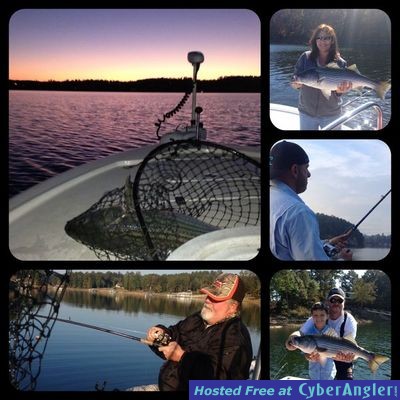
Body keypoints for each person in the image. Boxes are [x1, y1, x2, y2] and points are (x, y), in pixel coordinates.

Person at [144, 273, 253, 391]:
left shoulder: (236, 339)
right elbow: (175, 333)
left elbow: (220, 384)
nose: (207, 301)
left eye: (215, 299)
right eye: (208, 295)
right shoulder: (198, 318)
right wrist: (159, 333)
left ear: (232, 307)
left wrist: (182, 358)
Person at [270, 140, 353, 261]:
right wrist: (343, 259)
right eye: (306, 168)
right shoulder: (298, 213)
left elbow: (289, 245)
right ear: (295, 170)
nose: (308, 174)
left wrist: (329, 242)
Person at [291, 23, 353, 130]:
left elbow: (338, 93)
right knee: (308, 145)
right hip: (307, 113)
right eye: (318, 38)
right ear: (315, 40)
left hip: (332, 114)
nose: (322, 41)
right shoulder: (305, 57)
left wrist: (340, 91)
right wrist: (296, 85)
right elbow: (294, 81)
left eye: (326, 38)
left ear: (332, 40)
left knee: (332, 146)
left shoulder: (341, 63)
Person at [300, 288, 357, 379]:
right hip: (327, 356)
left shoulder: (350, 321)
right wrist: (293, 339)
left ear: (344, 302)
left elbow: (351, 345)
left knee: (346, 384)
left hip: (342, 357)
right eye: (333, 300)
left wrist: (351, 357)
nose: (336, 303)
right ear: (328, 302)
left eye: (340, 300)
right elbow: (301, 334)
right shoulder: (318, 316)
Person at [285, 302, 337, 380]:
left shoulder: (332, 332)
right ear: (312, 317)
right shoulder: (307, 333)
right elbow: (306, 354)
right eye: (315, 315)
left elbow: (336, 353)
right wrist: (308, 356)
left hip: (329, 375)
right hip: (313, 375)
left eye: (322, 315)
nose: (319, 318)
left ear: (327, 316)